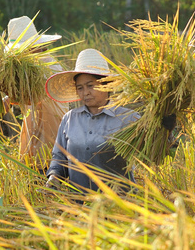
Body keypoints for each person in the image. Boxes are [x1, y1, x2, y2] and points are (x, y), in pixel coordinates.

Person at [44, 48, 140, 194]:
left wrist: (165, 129)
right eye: (80, 88)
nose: (85, 92)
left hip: (120, 207)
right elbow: (60, 157)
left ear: (106, 84)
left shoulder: (128, 119)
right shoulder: (70, 119)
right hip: (80, 205)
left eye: (90, 86)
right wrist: (54, 177)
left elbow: (153, 152)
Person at [2, 15, 68, 172]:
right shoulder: (30, 67)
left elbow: (38, 95)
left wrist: (12, 99)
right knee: (34, 168)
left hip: (52, 128)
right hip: (36, 124)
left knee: (50, 170)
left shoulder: (47, 66)